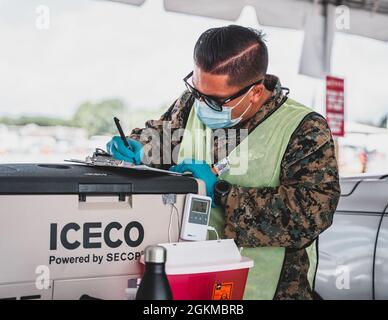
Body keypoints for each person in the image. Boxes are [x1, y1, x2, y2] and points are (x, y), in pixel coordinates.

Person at [106, 25, 340, 300]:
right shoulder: (193, 103)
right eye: (197, 91)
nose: (202, 105)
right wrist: (140, 147)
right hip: (190, 281)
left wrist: (220, 193)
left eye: (216, 101)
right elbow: (164, 138)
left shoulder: (304, 129)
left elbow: (312, 213)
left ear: (255, 92)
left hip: (268, 289)